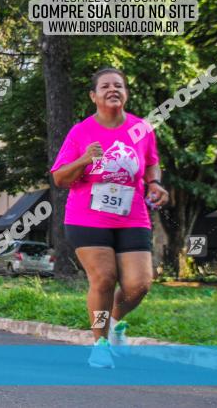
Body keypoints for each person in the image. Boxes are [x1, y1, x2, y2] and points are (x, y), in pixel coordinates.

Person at [51, 68, 169, 369]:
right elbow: (59, 178)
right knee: (103, 278)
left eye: (118, 85)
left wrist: (154, 184)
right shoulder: (80, 132)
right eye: (105, 86)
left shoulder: (142, 129)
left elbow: (153, 163)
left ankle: (115, 322)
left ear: (126, 93)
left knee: (139, 284)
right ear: (94, 96)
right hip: (87, 217)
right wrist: (84, 159)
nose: (112, 89)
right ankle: (99, 343)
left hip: (132, 216)